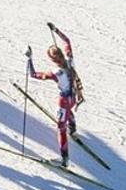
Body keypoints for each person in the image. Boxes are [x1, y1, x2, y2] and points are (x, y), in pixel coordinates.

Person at [26, 23, 85, 167]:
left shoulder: (56, 73)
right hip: (73, 96)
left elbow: (34, 75)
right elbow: (67, 41)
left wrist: (29, 59)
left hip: (64, 100)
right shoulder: (70, 60)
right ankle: (73, 129)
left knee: (60, 128)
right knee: (69, 111)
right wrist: (55, 30)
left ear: (53, 59)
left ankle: (64, 159)